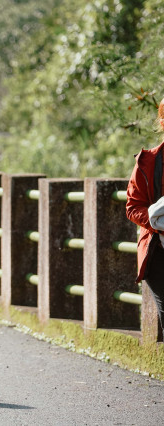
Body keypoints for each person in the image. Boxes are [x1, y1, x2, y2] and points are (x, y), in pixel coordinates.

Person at [126, 97, 164, 339]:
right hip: (158, 252)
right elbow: (133, 207)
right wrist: (156, 220)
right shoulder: (148, 161)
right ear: (162, 121)